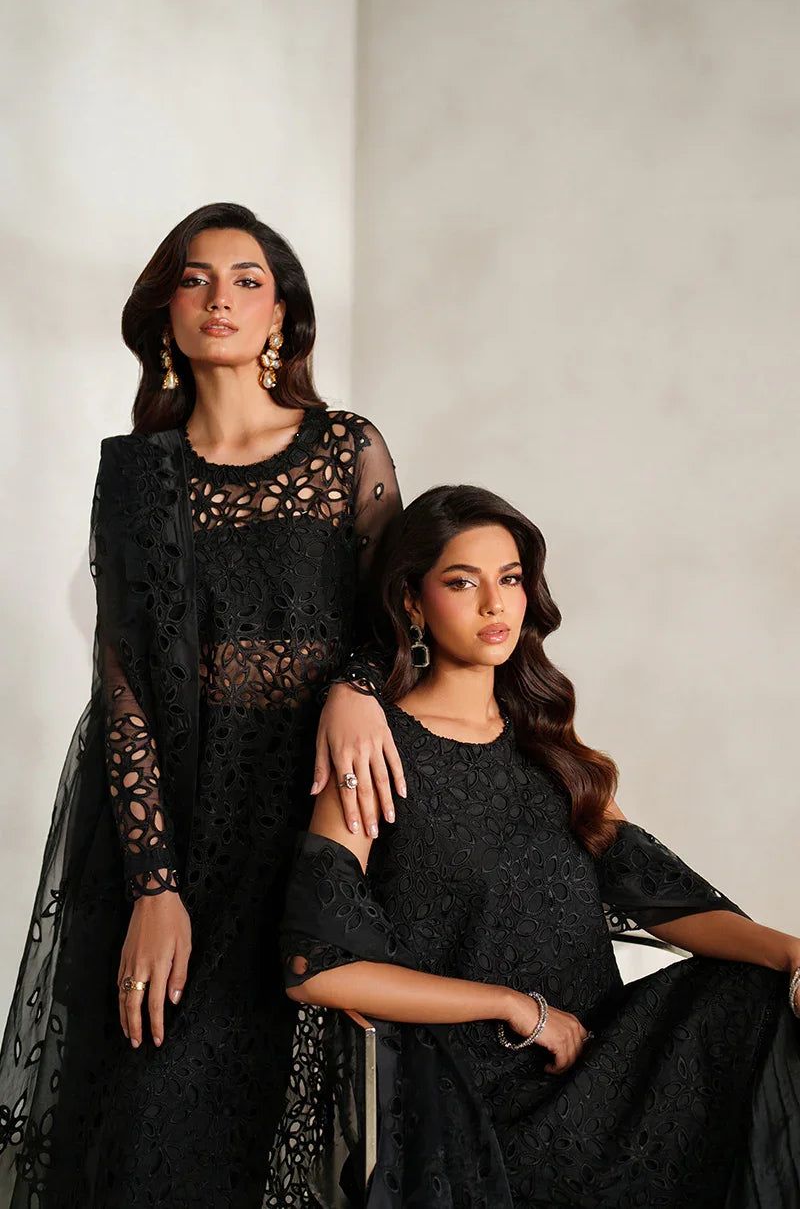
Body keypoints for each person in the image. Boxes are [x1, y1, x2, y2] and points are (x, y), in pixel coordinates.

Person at [0, 202, 403, 1208]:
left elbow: (396, 614)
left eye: (247, 280)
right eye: (195, 279)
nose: (220, 297)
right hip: (181, 824)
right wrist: (154, 884)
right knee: (148, 1120)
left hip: (318, 811)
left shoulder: (346, 449)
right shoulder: (136, 477)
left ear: (281, 316)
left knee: (291, 1120)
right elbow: (124, 684)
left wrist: (356, 684)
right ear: (167, 314)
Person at [279, 485, 800, 1209]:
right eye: (463, 582)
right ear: (413, 602)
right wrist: (518, 1007)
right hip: (485, 1108)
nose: (495, 604)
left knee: (761, 998)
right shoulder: (374, 749)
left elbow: (665, 899)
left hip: (602, 1064)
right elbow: (315, 966)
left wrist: (793, 955)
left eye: (511, 578)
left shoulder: (549, 748)